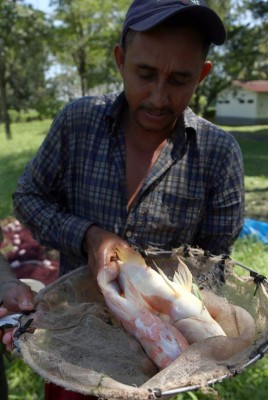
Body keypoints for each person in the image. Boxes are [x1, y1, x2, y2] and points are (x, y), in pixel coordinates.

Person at [0, 0, 245, 399]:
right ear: (120, 59)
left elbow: (213, 264)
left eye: (180, 79)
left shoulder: (218, 155)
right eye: (144, 74)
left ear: (202, 75)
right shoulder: (78, 124)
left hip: (162, 364)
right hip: (78, 344)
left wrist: (166, 318)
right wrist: (88, 236)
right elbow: (28, 197)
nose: (159, 97)